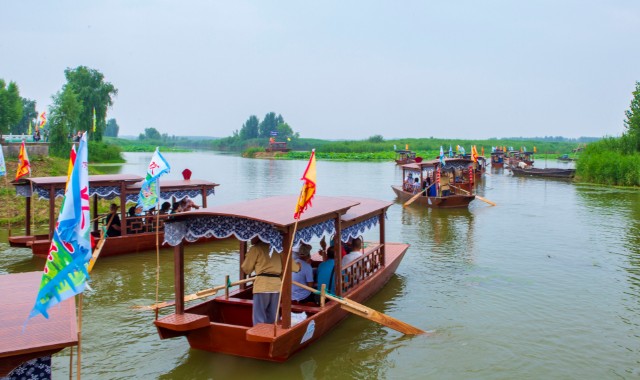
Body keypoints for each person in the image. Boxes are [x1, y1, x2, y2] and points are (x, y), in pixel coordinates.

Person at [241, 237, 283, 325]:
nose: (251, 240)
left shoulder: (256, 249)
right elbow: (292, 267)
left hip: (262, 285)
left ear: (258, 237)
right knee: (273, 316)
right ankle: (273, 334)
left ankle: (259, 334)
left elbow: (246, 269)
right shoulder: (277, 248)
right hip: (276, 286)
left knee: (259, 317)